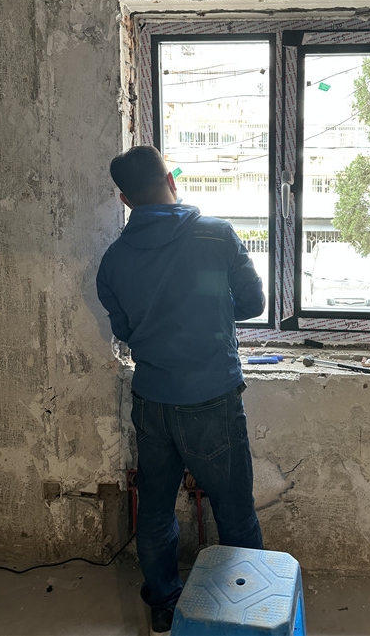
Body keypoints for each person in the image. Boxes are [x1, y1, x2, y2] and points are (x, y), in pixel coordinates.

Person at [96, 145, 265, 636]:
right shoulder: (215, 235)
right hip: (211, 398)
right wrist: (207, 308)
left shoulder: (114, 260)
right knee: (235, 511)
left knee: (154, 511)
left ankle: (164, 609)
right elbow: (252, 304)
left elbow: (125, 330)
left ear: (126, 199)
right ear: (171, 179)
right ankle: (245, 610)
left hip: (152, 402)